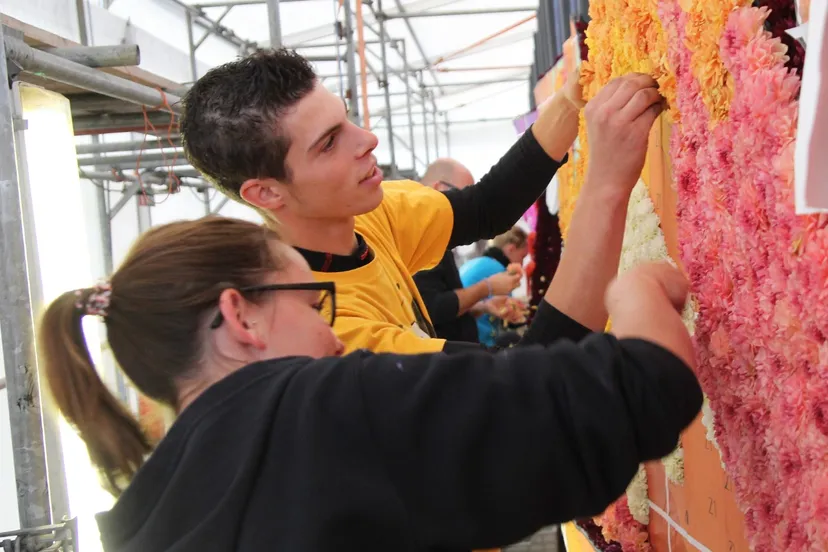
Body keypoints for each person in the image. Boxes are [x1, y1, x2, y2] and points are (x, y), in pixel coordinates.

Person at [38, 216, 702, 552]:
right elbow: (642, 390)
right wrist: (639, 287)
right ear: (240, 314)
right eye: (312, 304)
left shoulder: (143, 526)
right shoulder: (316, 414)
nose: (332, 335)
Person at [181, 50, 665, 354]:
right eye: (329, 143)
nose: (366, 139)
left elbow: (485, 208)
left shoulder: (369, 216)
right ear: (266, 193)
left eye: (346, 120)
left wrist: (569, 101)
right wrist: (605, 183)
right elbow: (526, 384)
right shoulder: (322, 326)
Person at [413, 159, 522, 343]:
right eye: (465, 199)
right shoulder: (416, 237)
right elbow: (434, 308)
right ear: (438, 189)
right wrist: (486, 287)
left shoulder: (436, 237)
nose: (470, 210)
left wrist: (485, 306)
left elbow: (450, 309)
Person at [460, 227, 531, 347]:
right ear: (511, 249)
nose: (522, 264)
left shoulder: (479, 262)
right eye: (522, 257)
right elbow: (509, 312)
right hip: (478, 340)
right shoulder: (499, 270)